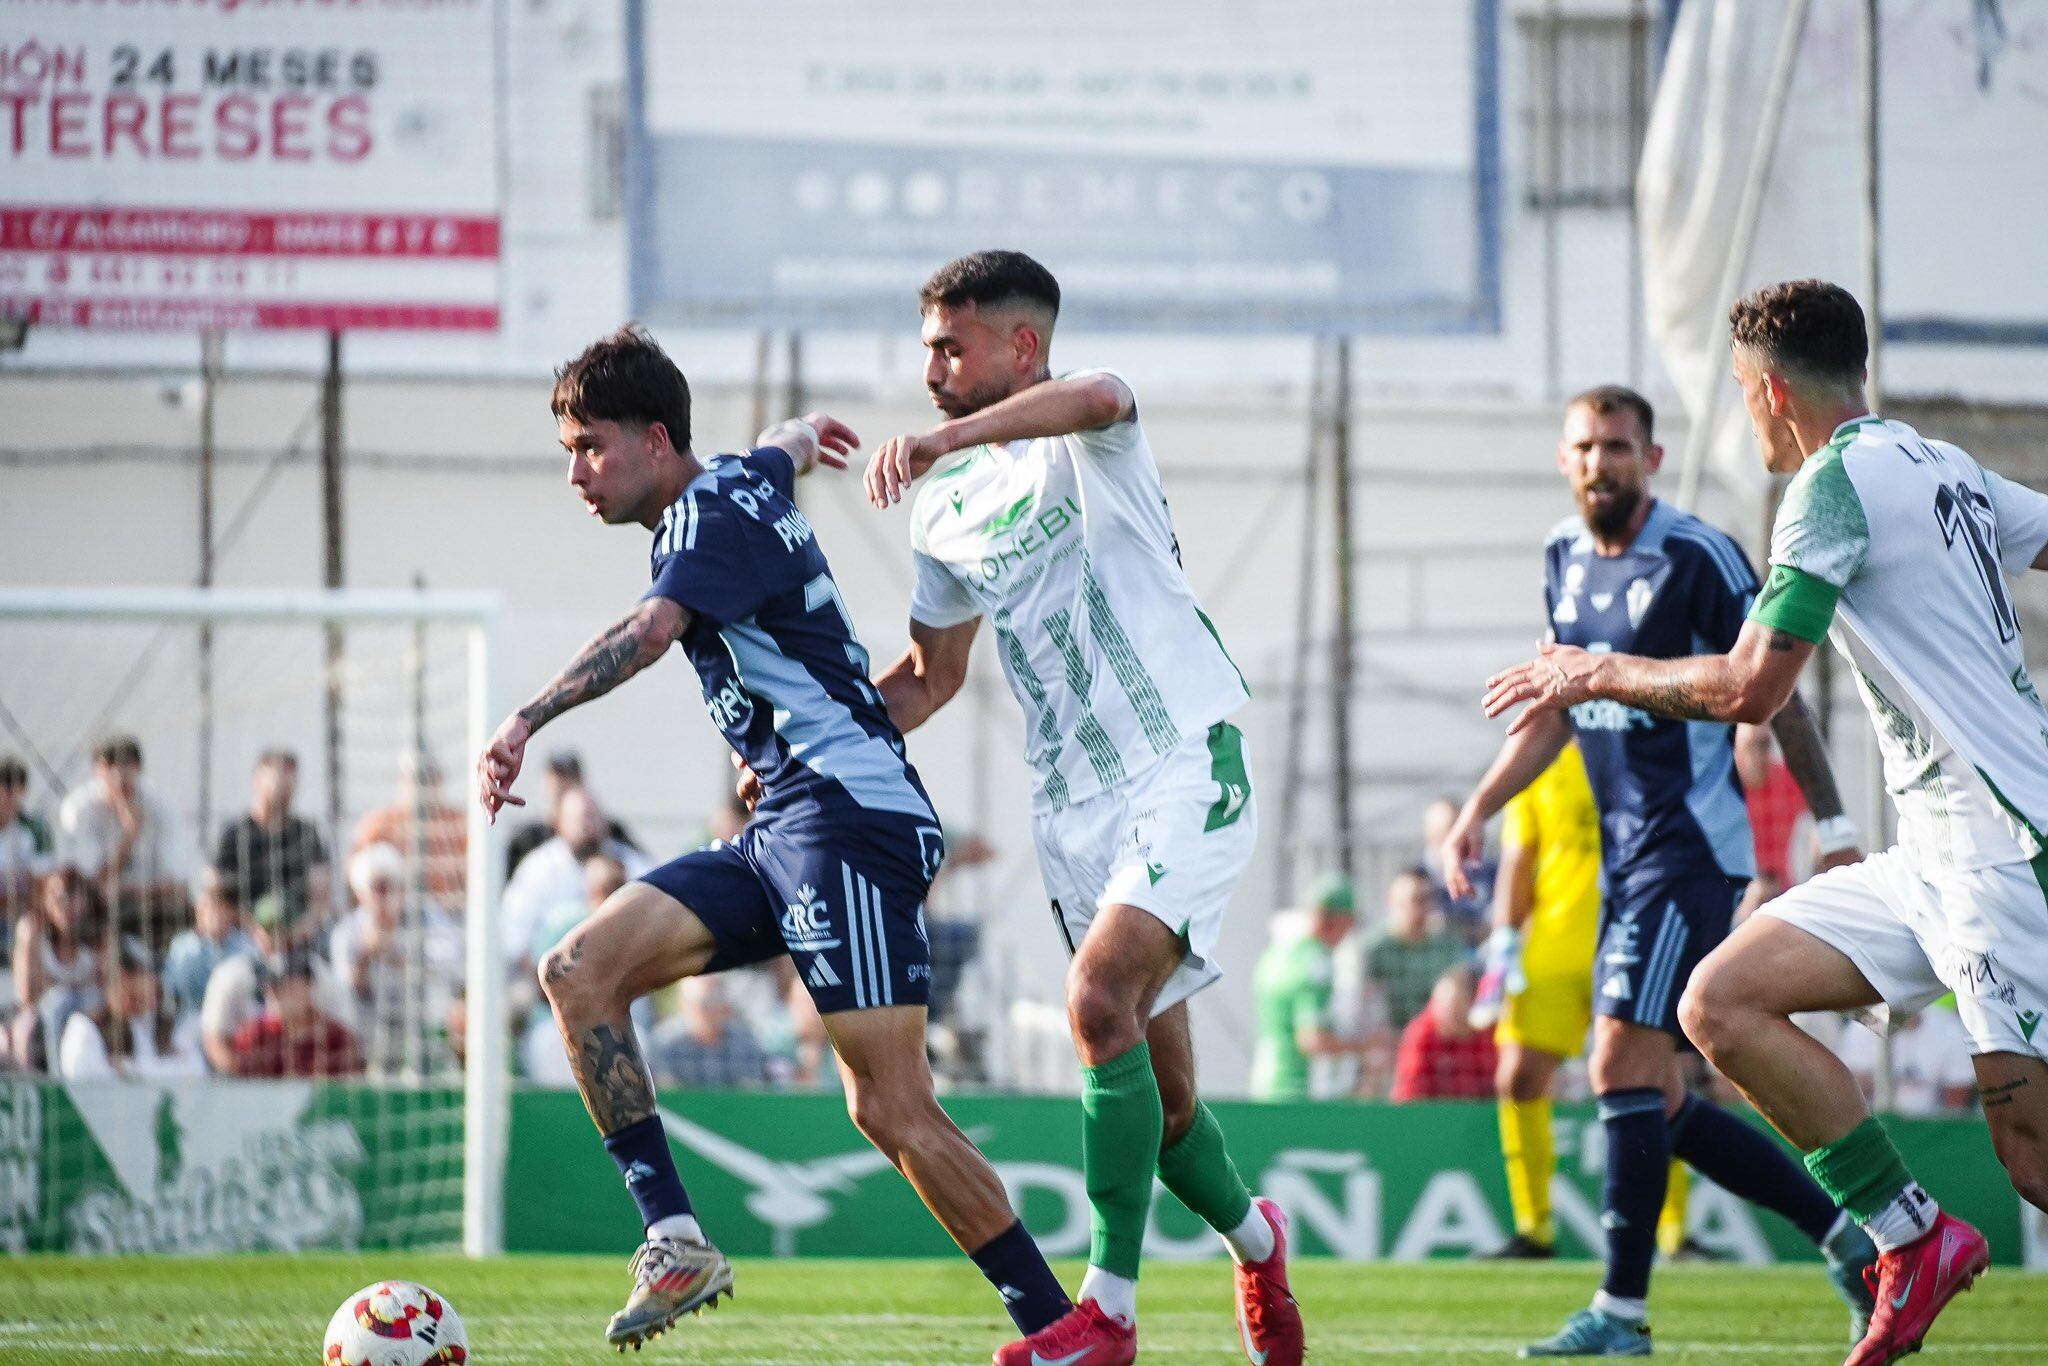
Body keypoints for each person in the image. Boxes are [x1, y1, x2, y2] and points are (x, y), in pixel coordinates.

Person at [472, 325, 1070, 1352]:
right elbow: (776, 452)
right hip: (787, 823)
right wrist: (800, 433)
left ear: (656, 439)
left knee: (890, 1108)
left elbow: (649, 633)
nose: (576, 474)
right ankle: (673, 1239)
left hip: (849, 820)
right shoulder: (739, 479)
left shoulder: (703, 515)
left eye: (590, 447)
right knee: (577, 970)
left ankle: (1057, 1329)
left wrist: (527, 718)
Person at [1487, 281, 2048, 1364]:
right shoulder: (1941, 465)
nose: (1745, 410)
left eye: (1742, 390)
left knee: (2030, 1160)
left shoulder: (1829, 487)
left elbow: (1752, 688)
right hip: (1928, 854)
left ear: (1770, 390)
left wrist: (1598, 669)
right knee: (1719, 1001)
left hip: (2001, 854)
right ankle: (1911, 1236)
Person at [856, 250, 1300, 1366]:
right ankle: (1259, 1242)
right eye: (925, 351)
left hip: (1181, 760)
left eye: (951, 348)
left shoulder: (1088, 432)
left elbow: (1100, 393)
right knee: (1171, 1111)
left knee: (1095, 999)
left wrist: (950, 437)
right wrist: (810, 735)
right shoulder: (942, 510)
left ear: (1022, 346)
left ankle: (1107, 1313)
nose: (931, 372)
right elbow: (928, 677)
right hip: (1071, 811)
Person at [1443, 382, 1877, 1357]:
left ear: (1651, 457)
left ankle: (1620, 1313)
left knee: (1616, 1066)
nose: (1599, 463)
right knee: (1659, 1099)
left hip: (1689, 852)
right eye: (1584, 447)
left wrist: (1833, 821)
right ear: (1564, 460)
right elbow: (1558, 711)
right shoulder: (1560, 557)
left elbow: (1774, 691)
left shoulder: (1697, 556)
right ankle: (1851, 1241)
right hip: (1625, 861)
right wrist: (1478, 809)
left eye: (1616, 446)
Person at [1475, 743, 1692, 1263]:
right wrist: (1504, 942)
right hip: (1553, 947)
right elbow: (1518, 859)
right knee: (1518, 1078)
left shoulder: (1642, 745)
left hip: (1629, 941)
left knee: (1658, 1082)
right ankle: (1534, 1229)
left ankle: (1675, 1233)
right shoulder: (1536, 758)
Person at [328, 842, 464, 1077]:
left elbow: (450, 966)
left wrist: (395, 954)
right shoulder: (347, 932)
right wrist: (366, 954)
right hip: (370, 1024)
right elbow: (346, 989)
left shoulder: (427, 917)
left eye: (388, 887)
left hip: (423, 1016)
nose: (383, 898)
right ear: (360, 894)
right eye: (375, 889)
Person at [58, 736, 191, 955]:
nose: (119, 776)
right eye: (109, 767)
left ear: (139, 768)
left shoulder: (161, 804)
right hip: (101, 909)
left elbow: (179, 883)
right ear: (97, 771)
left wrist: (125, 891)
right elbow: (91, 885)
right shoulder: (80, 810)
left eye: (127, 765)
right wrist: (129, 837)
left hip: (150, 904)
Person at [198, 887, 350, 1075]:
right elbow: (214, 1038)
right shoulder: (230, 974)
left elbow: (343, 1033)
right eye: (270, 928)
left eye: (285, 927)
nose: (279, 935)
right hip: (251, 1073)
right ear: (254, 929)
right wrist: (241, 1078)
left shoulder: (319, 974)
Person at [501, 786, 651, 971]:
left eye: (592, 817)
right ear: (559, 825)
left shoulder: (628, 862)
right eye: (580, 819)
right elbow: (516, 940)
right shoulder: (538, 870)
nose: (588, 826)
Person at [1250, 874, 1365, 1102]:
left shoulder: (1276, 953)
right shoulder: (1316, 965)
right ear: (1341, 920)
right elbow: (1313, 1039)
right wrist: (1368, 1045)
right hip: (1298, 1091)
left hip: (1264, 1085)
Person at [57, 937, 204, 1080]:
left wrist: (130, 1070)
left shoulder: (171, 1026)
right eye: (146, 974)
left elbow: (196, 1072)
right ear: (123, 977)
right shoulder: (85, 1027)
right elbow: (87, 1083)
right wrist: (160, 1069)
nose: (157, 982)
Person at [8, 866, 104, 1072]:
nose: (65, 904)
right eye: (57, 897)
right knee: (60, 1001)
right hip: (41, 1019)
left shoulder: (97, 935)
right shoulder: (32, 929)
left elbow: (106, 987)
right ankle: (58, 1078)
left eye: (72, 896)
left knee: (89, 1002)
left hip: (86, 1014)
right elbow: (26, 995)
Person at [212, 748, 329, 913]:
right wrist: (250, 924)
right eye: (278, 781)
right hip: (241, 924)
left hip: (298, 923)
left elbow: (321, 892)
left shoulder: (306, 834)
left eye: (290, 783)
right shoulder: (235, 833)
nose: (284, 790)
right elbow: (214, 884)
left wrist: (304, 926)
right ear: (257, 780)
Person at [1362, 869, 1470, 1036]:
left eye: (1428, 899)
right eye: (1416, 899)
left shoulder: (1449, 947)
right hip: (1387, 1040)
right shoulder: (1373, 950)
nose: (1423, 907)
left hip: (1436, 1040)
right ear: (1392, 901)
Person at [504, 750, 640, 878]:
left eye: (569, 787)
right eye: (558, 790)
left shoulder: (610, 832)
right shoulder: (527, 840)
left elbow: (639, 868)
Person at [229, 950, 362, 1078]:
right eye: (268, 986)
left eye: (283, 985)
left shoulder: (337, 1039)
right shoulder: (253, 1035)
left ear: (308, 986)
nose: (273, 993)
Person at [353, 755, 465, 907]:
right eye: (417, 779)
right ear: (402, 781)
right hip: (396, 913)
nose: (424, 787)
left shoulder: (458, 824)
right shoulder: (380, 826)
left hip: (450, 913)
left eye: (430, 779)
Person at [1834, 1006, 1977, 1116]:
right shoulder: (1861, 1028)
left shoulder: (1950, 1030)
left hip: (1932, 1131)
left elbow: (1956, 1109)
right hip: (1875, 1125)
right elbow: (1851, 1099)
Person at [161, 867, 252, 1023]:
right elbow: (177, 991)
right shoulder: (182, 946)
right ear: (198, 909)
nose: (214, 914)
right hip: (193, 1018)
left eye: (221, 908)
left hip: (237, 1020)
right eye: (208, 906)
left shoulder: (244, 942)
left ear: (231, 912)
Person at [1390, 969, 1497, 1102]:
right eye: (1443, 1004)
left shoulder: (1488, 1035)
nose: (1449, 1013)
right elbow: (1410, 1097)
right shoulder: (1421, 1035)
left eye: (1457, 1006)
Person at [648, 975, 774, 1088]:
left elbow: (752, 1092)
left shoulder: (746, 1042)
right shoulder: (666, 1042)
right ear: (684, 1004)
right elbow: (667, 1092)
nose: (710, 1009)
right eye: (702, 1002)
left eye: (715, 1000)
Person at [1423, 797, 1495, 942]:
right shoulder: (1418, 878)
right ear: (1430, 834)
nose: (1456, 837)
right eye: (1447, 830)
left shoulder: (1488, 872)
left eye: (1458, 828)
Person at [0, 756, 54, 927]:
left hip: (22, 918)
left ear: (23, 790)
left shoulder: (36, 829)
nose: (4, 798)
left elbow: (42, 886)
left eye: (10, 792)